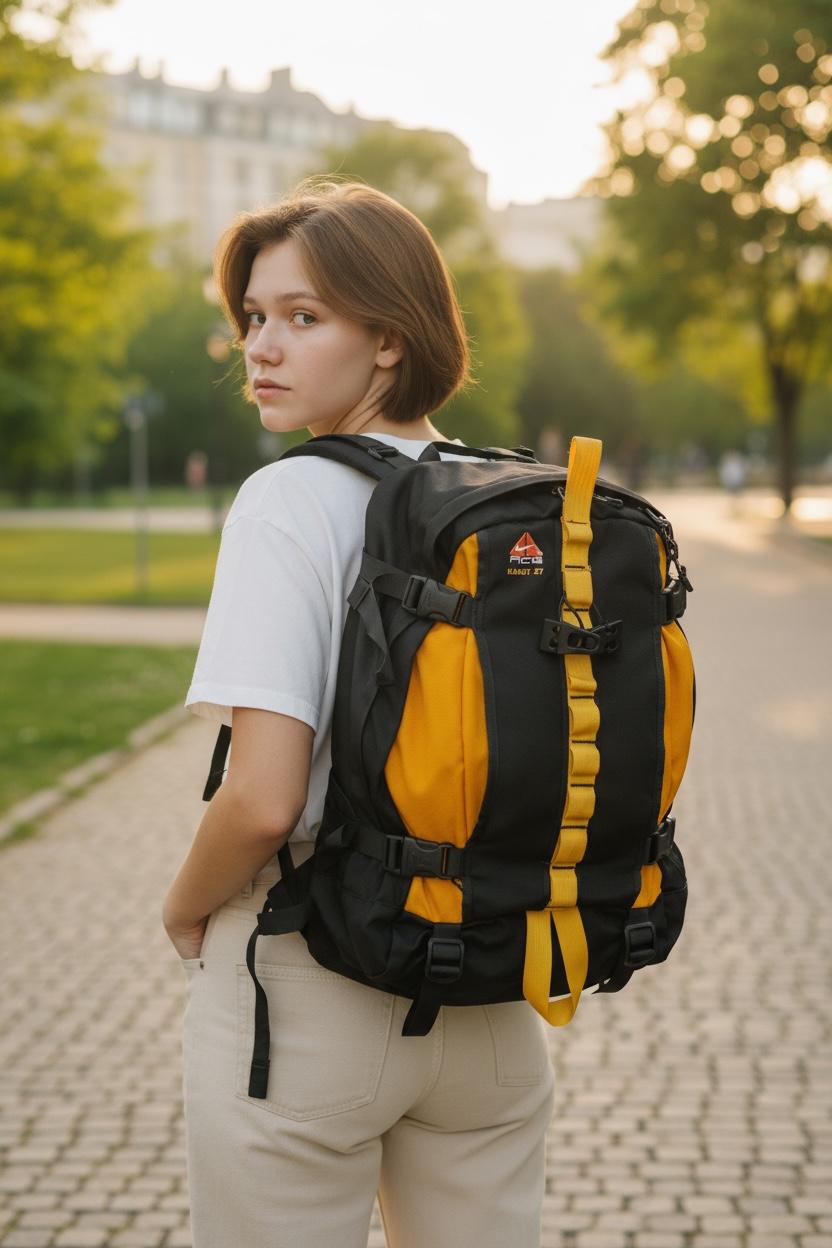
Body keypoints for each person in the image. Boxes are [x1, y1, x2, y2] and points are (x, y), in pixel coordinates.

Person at [162, 177, 555, 1248]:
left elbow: (262, 799)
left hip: (308, 988)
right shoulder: (504, 496)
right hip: (487, 998)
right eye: (252, 317)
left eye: (303, 317)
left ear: (388, 341)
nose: (261, 348)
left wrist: (183, 909)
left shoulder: (289, 498)